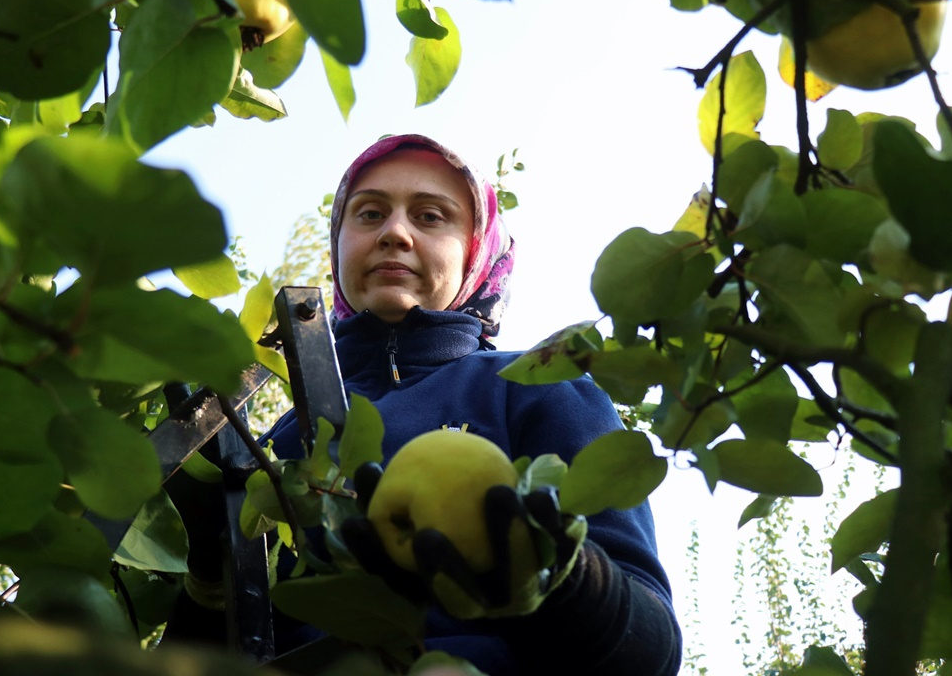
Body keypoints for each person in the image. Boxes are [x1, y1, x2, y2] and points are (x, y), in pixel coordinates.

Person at [261, 134, 682, 676]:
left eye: (431, 216)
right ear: (338, 243)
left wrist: (559, 581)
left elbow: (651, 652)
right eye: (368, 214)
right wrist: (205, 574)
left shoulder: (538, 387)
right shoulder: (281, 438)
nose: (394, 233)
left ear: (476, 252)